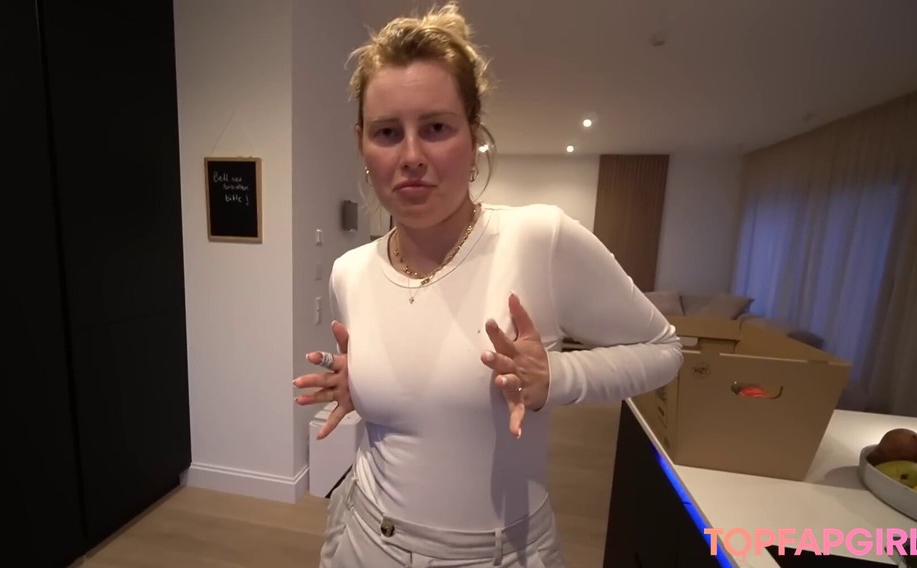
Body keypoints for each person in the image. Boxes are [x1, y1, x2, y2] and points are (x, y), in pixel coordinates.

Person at [293, 3, 684, 566]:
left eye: (436, 128)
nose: (411, 156)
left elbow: (665, 349)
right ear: (362, 144)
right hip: (365, 538)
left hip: (501, 554)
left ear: (473, 136)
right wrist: (364, 387)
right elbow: (419, 401)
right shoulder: (349, 271)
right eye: (387, 132)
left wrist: (555, 377)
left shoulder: (538, 237)